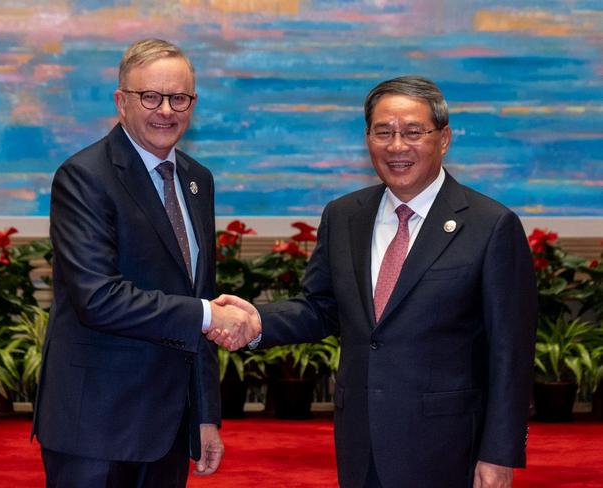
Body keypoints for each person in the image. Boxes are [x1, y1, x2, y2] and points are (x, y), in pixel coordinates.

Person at [213, 76, 537, 488]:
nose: (397, 146)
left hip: (449, 448)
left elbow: (511, 352)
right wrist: (257, 320)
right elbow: (321, 307)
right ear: (367, 138)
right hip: (360, 443)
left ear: (444, 138)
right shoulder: (345, 215)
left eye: (413, 132)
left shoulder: (491, 226)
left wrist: (499, 453)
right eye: (383, 132)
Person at [32, 39, 260, 487]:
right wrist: (209, 315)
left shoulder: (197, 180)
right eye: (150, 97)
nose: (166, 111)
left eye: (179, 98)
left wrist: (205, 415)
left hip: (168, 428)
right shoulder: (84, 177)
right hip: (95, 428)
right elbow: (98, 298)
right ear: (122, 102)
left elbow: (198, 291)